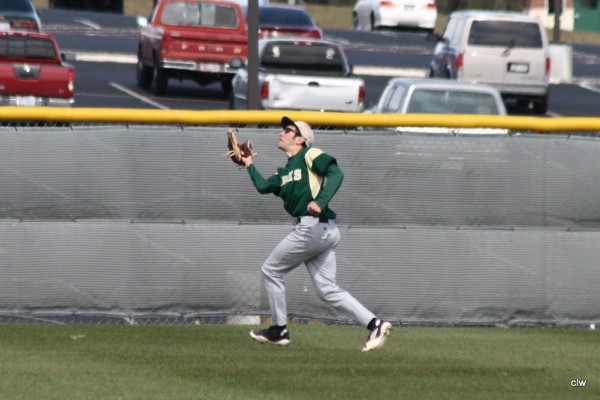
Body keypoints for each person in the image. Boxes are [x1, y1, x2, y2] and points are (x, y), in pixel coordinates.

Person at [240, 116, 392, 352]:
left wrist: (320, 201)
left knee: (271, 270)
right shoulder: (286, 171)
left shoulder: (309, 154)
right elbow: (262, 186)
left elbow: (336, 173)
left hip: (313, 227)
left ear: (300, 139)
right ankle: (376, 324)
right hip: (322, 231)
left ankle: (279, 330)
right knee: (327, 290)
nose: (282, 133)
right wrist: (249, 163)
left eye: (288, 130)